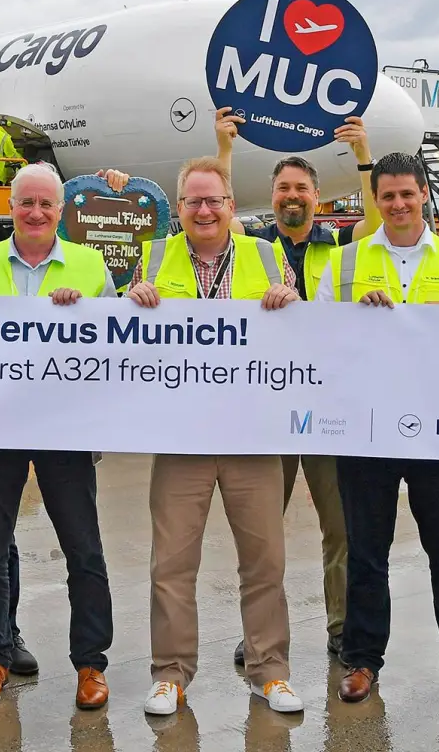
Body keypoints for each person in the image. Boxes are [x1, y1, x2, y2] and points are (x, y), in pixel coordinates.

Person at [0, 168, 129, 680]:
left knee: (84, 549)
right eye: (25, 202)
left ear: (62, 210)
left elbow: (118, 341)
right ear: (9, 206)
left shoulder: (91, 265)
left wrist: (91, 315)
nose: (35, 212)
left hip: (65, 427)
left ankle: (90, 663)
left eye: (46, 204)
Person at [314, 152, 439, 711]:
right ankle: (363, 660)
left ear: (424, 196)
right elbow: (319, 344)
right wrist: (354, 320)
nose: (396, 204)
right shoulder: (343, 265)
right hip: (368, 432)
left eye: (407, 195)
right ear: (376, 200)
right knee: (368, 552)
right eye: (387, 196)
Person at [126, 157, 305, 717]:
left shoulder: (268, 254)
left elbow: (299, 340)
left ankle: (269, 672)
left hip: (252, 436)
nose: (204, 211)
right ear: (178, 209)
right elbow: (122, 343)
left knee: (265, 562)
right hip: (182, 440)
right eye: (193, 202)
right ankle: (170, 674)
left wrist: (289, 305)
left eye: (214, 200)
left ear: (231, 205)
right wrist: (131, 305)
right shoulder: (153, 258)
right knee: (172, 564)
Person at [214, 107, 381, 661]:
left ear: (316, 196)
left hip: (329, 408)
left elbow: (376, 223)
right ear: (272, 193)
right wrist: (226, 149)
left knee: (341, 526)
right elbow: (220, 214)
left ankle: (340, 628)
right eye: (283, 187)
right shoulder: (253, 247)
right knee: (262, 531)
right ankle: (259, 629)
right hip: (270, 409)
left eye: (302, 188)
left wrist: (363, 157)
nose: (292, 195)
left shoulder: (341, 247)